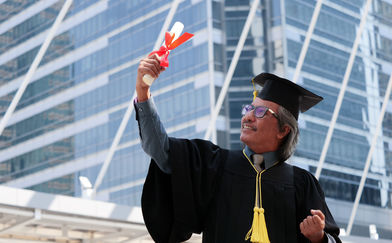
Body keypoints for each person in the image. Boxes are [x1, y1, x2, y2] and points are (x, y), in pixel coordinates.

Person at [134, 54, 341, 243]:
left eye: (260, 111)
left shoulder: (302, 184)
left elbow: (331, 240)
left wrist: (319, 237)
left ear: (283, 130)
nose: (248, 116)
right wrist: (143, 93)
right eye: (248, 108)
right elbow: (161, 150)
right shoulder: (215, 164)